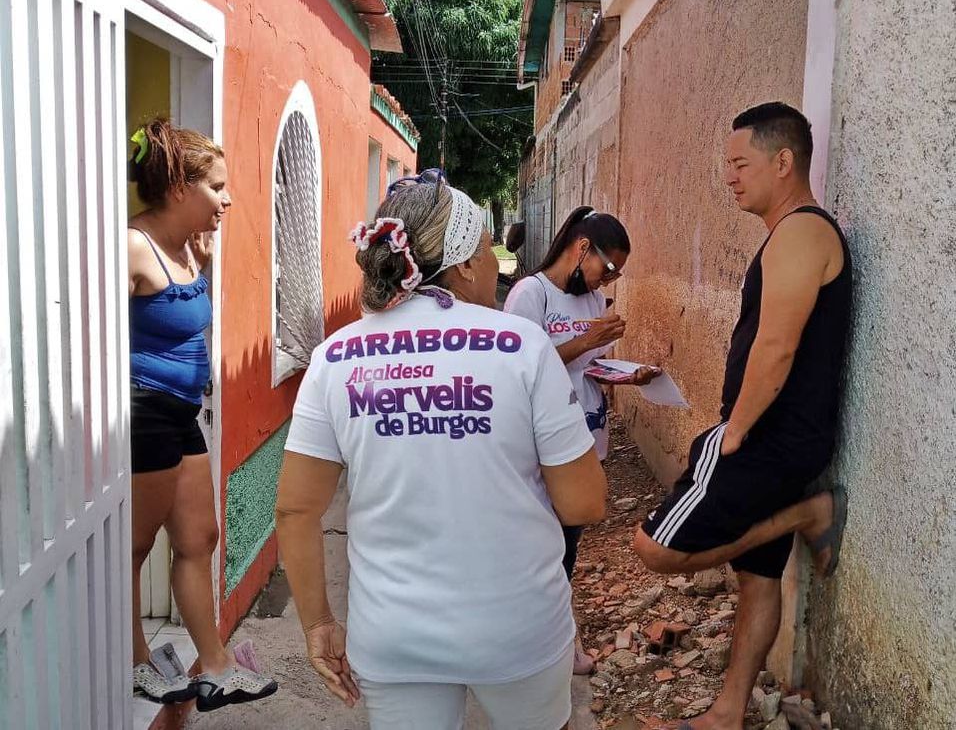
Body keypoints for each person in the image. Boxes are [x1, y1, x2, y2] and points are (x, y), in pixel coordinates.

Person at [275, 172, 607, 730]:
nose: (493, 268)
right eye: (486, 251)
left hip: (394, 637)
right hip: (518, 628)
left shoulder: (335, 358)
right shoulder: (522, 348)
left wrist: (319, 624)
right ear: (465, 266)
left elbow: (295, 509)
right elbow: (582, 504)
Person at [632, 102, 852, 730]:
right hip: (786, 440)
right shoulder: (793, 235)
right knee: (758, 579)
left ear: (783, 161)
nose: (729, 177)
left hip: (767, 439)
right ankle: (729, 710)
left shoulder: (803, 232)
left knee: (655, 548)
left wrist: (736, 430)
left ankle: (811, 513)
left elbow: (776, 347)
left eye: (739, 163)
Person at [128, 119, 277, 710]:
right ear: (177, 188)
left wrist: (207, 269)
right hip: (145, 418)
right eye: (216, 186)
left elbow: (184, 326)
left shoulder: (189, 248)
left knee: (199, 536)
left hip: (183, 413)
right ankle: (139, 663)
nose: (228, 198)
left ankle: (214, 667)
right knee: (134, 550)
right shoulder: (132, 246)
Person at [503, 207, 659, 674]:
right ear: (582, 248)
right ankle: (532, 640)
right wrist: (586, 340)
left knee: (569, 545)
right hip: (540, 445)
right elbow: (518, 370)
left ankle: (555, 639)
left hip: (586, 435)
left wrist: (628, 375)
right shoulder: (530, 295)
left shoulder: (591, 302)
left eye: (616, 276)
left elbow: (586, 369)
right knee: (540, 545)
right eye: (607, 269)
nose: (607, 283)